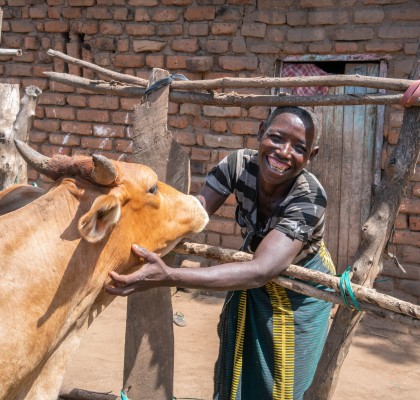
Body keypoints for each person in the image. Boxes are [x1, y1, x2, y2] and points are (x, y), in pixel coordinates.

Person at [105, 106, 335, 400]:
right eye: (277, 138)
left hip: (299, 296)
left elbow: (263, 269)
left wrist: (168, 275)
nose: (284, 152)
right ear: (261, 130)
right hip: (252, 278)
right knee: (240, 367)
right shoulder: (238, 165)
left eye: (299, 148)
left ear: (311, 156)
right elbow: (196, 211)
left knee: (289, 384)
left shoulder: (310, 197)